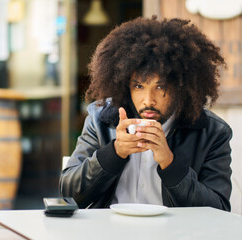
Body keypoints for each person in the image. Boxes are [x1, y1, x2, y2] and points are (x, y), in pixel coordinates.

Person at [59, 16, 233, 211]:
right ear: (126, 85)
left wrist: (169, 163)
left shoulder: (212, 132)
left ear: (182, 87)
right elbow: (68, 193)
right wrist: (114, 152)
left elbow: (218, 210)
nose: (148, 100)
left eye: (161, 87)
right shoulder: (102, 120)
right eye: (139, 86)